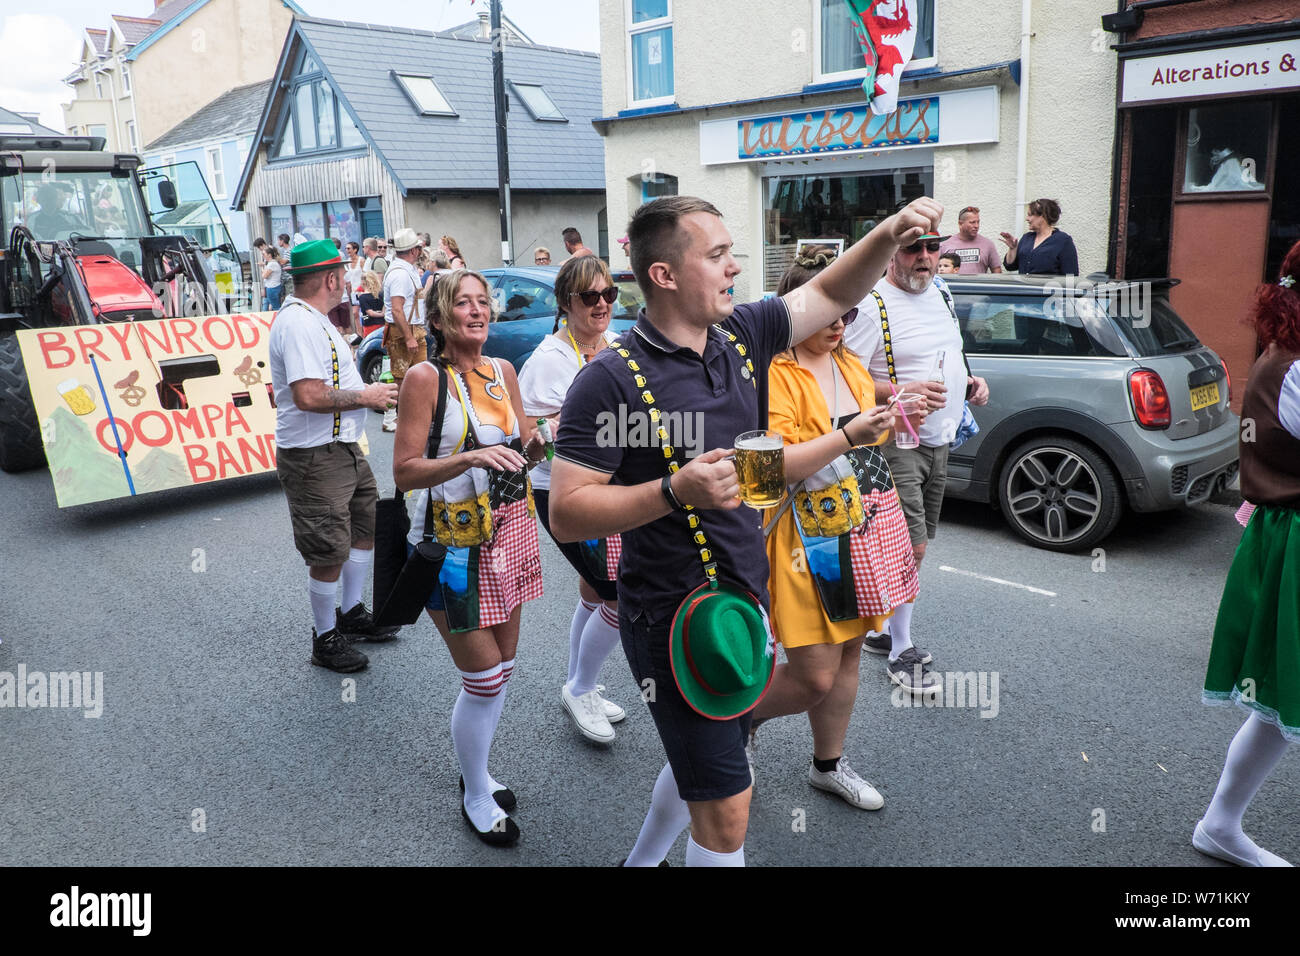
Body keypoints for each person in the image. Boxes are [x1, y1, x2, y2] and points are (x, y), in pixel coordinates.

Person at [548, 194, 942, 867]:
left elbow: (828, 289)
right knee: (730, 812)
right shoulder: (608, 380)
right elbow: (568, 510)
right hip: (673, 616)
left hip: (742, 600)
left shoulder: (742, 334)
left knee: (710, 768)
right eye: (718, 254)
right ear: (666, 275)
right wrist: (675, 490)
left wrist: (883, 233)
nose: (736, 266)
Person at [749, 246, 918, 810]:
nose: (840, 323)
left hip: (862, 525)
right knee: (814, 674)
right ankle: (737, 720)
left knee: (849, 655)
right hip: (802, 538)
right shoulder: (774, 371)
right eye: (829, 312)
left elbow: (867, 444)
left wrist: (895, 415)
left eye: (846, 312)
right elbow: (771, 467)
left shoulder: (849, 364)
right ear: (798, 312)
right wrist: (851, 432)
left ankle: (828, 764)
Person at [392, 268, 547, 846]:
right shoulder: (424, 379)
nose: (478, 311)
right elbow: (405, 471)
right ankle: (476, 791)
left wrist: (541, 441)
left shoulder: (504, 372)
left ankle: (475, 768)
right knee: (482, 678)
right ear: (439, 319)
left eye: (484, 302)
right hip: (451, 544)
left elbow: (525, 448)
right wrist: (470, 460)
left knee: (502, 671)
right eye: (464, 303)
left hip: (508, 534)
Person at [844, 230, 990, 694]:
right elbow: (846, 378)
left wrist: (969, 381)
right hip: (893, 442)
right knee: (913, 546)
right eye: (913, 248)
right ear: (891, 253)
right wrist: (899, 392)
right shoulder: (871, 305)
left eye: (933, 248)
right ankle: (899, 647)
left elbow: (946, 353)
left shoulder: (942, 292)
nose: (925, 257)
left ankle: (881, 628)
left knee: (918, 542)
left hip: (939, 437)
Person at [1194, 241, 1300, 868]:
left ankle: (1221, 823)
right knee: (1282, 697)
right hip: (1292, 540)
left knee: (1282, 703)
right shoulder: (1291, 368)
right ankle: (1220, 824)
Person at [268, 240, 400, 673]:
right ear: (330, 279)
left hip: (341, 447)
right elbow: (308, 395)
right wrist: (366, 395)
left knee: (365, 526)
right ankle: (324, 638)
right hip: (313, 455)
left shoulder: (314, 320)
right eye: (343, 275)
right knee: (327, 550)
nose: (348, 282)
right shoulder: (299, 324)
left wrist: (364, 398)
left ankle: (352, 613)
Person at [519, 256, 628, 744]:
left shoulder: (618, 346)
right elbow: (533, 441)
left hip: (615, 488)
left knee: (593, 590)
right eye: (590, 297)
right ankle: (581, 686)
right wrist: (565, 426)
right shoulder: (549, 360)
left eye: (609, 295)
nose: (602, 305)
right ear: (566, 304)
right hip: (565, 492)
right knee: (619, 594)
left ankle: (577, 685)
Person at [381, 228, 427, 432]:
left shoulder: (404, 269)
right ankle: (390, 417)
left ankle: (415, 417)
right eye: (418, 247)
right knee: (399, 378)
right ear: (414, 251)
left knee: (422, 376)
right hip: (403, 331)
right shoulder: (400, 274)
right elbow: (397, 310)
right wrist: (409, 337)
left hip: (412, 329)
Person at [998, 198, 1079, 275]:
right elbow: (1010, 266)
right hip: (1025, 289)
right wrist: (1012, 249)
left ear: (1043, 216)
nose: (1027, 219)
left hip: (1047, 289)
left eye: (1030, 215)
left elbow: (1071, 276)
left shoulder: (1063, 241)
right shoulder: (1027, 238)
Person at [939, 206, 1002, 275]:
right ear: (960, 224)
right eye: (972, 222)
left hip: (979, 285)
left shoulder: (988, 244)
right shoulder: (945, 245)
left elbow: (997, 272)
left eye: (978, 222)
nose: (976, 226)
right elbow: (935, 272)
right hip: (954, 285)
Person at [325, 238, 355, 337]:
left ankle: (342, 347)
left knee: (337, 327)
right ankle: (350, 348)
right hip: (344, 300)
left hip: (332, 300)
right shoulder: (345, 268)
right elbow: (349, 285)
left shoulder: (327, 268)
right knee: (347, 327)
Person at [357, 271, 385, 337]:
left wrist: (381, 314)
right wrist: (383, 313)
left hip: (370, 325)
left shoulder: (362, 297)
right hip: (382, 324)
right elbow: (385, 306)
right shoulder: (380, 294)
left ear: (363, 283)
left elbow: (370, 313)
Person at [344, 240, 363, 331]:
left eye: (349, 248)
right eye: (346, 249)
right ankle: (359, 334)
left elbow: (366, 276)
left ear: (355, 250)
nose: (347, 250)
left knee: (363, 313)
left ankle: (364, 333)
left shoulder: (361, 260)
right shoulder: (347, 261)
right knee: (355, 313)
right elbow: (348, 278)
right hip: (353, 292)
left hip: (362, 290)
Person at [261, 245, 284, 311]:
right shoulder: (271, 263)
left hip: (272, 288)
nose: (263, 256)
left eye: (264, 254)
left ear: (269, 255)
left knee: (276, 307)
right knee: (273, 306)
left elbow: (264, 276)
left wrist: (262, 269)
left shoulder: (272, 264)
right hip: (273, 287)